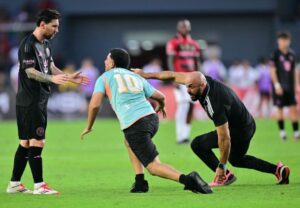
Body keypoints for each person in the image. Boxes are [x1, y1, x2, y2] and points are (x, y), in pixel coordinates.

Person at [80, 48, 212, 194]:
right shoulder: (135, 76)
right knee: (129, 142)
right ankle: (140, 182)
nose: (105, 61)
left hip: (135, 124)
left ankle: (188, 180)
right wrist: (161, 106)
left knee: (154, 167)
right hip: (152, 119)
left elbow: (94, 104)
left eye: (107, 58)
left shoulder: (104, 77)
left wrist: (89, 125)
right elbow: (160, 96)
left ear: (112, 63)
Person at [134, 69, 290, 186]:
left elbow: (224, 137)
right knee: (237, 159)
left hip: (238, 131)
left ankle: (223, 176)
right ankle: (278, 170)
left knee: (198, 144)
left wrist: (221, 166)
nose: (188, 91)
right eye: (187, 87)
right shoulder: (198, 81)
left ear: (202, 85)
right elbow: (173, 75)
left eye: (192, 88)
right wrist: (146, 75)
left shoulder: (214, 101)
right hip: (248, 124)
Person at [6, 9, 89, 195]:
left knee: (26, 142)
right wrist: (52, 80)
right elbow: (30, 71)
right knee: (37, 141)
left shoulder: (46, 44)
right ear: (42, 24)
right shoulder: (28, 45)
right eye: (54, 26)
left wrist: (67, 77)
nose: (57, 30)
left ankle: (14, 184)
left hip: (37, 99)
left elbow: (49, 66)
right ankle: (39, 186)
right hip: (30, 100)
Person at [166, 19, 201, 144]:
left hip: (192, 78)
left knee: (191, 106)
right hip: (180, 78)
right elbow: (170, 60)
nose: (185, 28)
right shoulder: (173, 42)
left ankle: (185, 135)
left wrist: (200, 77)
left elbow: (197, 62)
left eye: (187, 26)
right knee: (184, 105)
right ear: (178, 28)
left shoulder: (194, 44)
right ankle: (180, 136)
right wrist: (173, 76)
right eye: (183, 26)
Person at [270, 31, 299, 141]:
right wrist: (277, 85)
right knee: (280, 109)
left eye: (286, 40)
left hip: (290, 86)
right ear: (278, 41)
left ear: (289, 41)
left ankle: (296, 133)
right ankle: (282, 133)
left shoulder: (292, 54)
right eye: (282, 40)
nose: (284, 42)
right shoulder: (275, 54)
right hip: (280, 87)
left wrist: (297, 85)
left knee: (294, 109)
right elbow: (272, 70)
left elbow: (294, 70)